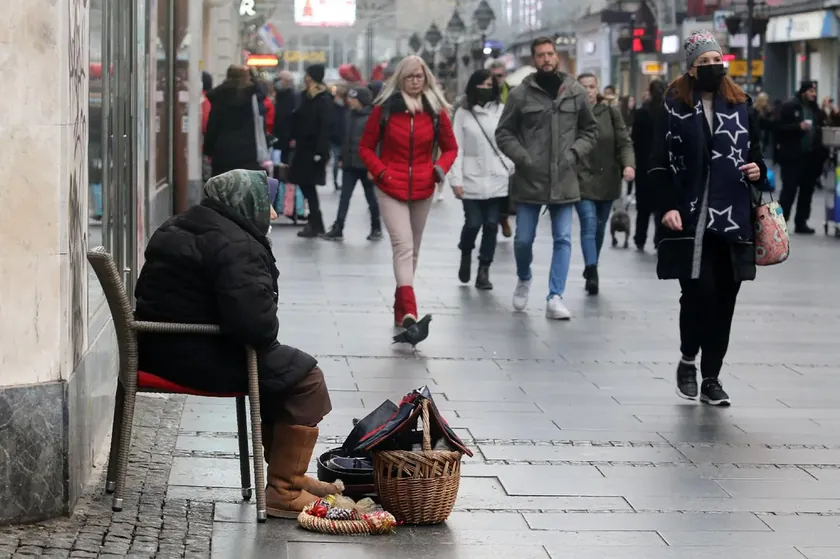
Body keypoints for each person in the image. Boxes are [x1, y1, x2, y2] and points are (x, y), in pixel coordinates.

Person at [134, 169, 341, 518]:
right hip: (196, 356)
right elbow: (257, 328)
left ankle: (287, 474)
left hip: (158, 349)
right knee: (307, 379)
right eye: (268, 206)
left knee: (283, 371)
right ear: (247, 204)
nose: (273, 215)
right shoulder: (236, 243)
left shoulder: (182, 224)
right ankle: (284, 488)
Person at [649, 31, 766, 406]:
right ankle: (688, 358)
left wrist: (757, 170)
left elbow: (759, 158)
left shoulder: (742, 104)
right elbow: (658, 162)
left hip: (734, 218)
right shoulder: (672, 107)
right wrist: (666, 205)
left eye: (717, 60)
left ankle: (711, 377)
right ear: (692, 67)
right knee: (699, 294)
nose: (713, 67)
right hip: (690, 218)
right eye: (705, 62)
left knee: (726, 299)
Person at [495, 36, 598, 320]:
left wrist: (574, 154)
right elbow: (503, 133)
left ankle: (555, 296)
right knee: (523, 240)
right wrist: (523, 157)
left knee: (563, 238)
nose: (547, 59)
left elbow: (590, 130)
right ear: (534, 59)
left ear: (557, 56)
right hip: (530, 178)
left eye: (551, 54)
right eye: (541, 55)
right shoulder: (521, 94)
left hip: (564, 177)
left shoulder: (575, 91)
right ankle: (524, 276)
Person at [358, 55, 458, 328]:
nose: (415, 81)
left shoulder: (436, 111)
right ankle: (411, 310)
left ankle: (400, 308)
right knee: (402, 246)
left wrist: (439, 168)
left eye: (420, 76)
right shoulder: (385, 109)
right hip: (390, 186)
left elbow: (451, 147)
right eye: (410, 76)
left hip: (423, 187)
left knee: (413, 250)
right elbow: (366, 147)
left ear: (426, 78)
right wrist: (381, 172)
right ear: (400, 79)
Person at [448, 69, 513, 290]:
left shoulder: (503, 111)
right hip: (471, 178)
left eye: (489, 85)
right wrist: (455, 178)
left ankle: (484, 269)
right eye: (481, 85)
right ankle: (466, 252)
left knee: (491, 225)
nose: (485, 89)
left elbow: (509, 141)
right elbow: (456, 147)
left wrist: (509, 165)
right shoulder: (463, 114)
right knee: (473, 223)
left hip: (497, 177)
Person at [575, 73, 635, 295]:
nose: (588, 91)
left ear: (597, 89)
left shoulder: (610, 110)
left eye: (591, 87)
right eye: (583, 87)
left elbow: (623, 142)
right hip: (581, 178)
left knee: (600, 227)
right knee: (589, 223)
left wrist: (628, 165)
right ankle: (592, 271)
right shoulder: (571, 111)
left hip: (607, 178)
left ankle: (592, 262)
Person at [322, 86, 383, 241]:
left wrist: (374, 167)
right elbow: (346, 139)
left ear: (361, 100)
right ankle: (338, 227)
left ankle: (376, 227)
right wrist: (342, 158)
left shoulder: (373, 117)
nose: (349, 101)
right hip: (350, 164)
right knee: (344, 197)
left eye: (353, 98)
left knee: (371, 198)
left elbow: (377, 143)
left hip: (366, 165)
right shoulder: (349, 115)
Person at [777, 80, 827, 234]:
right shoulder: (790, 106)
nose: (813, 94)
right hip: (792, 157)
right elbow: (779, 128)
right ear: (804, 91)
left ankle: (801, 222)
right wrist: (798, 127)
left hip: (810, 158)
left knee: (807, 191)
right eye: (811, 91)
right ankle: (780, 223)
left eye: (814, 91)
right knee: (789, 191)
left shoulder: (815, 109)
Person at [289, 64, 333, 238]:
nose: (305, 78)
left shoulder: (323, 98)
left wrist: (320, 152)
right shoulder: (306, 96)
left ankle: (316, 223)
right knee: (305, 184)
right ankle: (315, 223)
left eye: (307, 75)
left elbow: (324, 127)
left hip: (313, 150)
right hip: (303, 148)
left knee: (308, 185)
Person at [203, 65, 264, 177]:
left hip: (223, 153)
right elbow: (260, 122)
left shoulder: (219, 97)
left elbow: (213, 126)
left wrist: (208, 149)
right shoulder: (253, 98)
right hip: (248, 154)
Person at [631, 79, 666, 251]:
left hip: (644, 165)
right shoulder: (669, 112)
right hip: (662, 166)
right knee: (661, 207)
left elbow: (635, 140)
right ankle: (659, 239)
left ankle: (640, 238)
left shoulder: (641, 112)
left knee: (643, 208)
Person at [329, 86, 348, 190]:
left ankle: (341, 181)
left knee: (343, 162)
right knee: (337, 161)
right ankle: (336, 181)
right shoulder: (332, 107)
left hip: (344, 139)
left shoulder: (346, 108)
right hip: (335, 139)